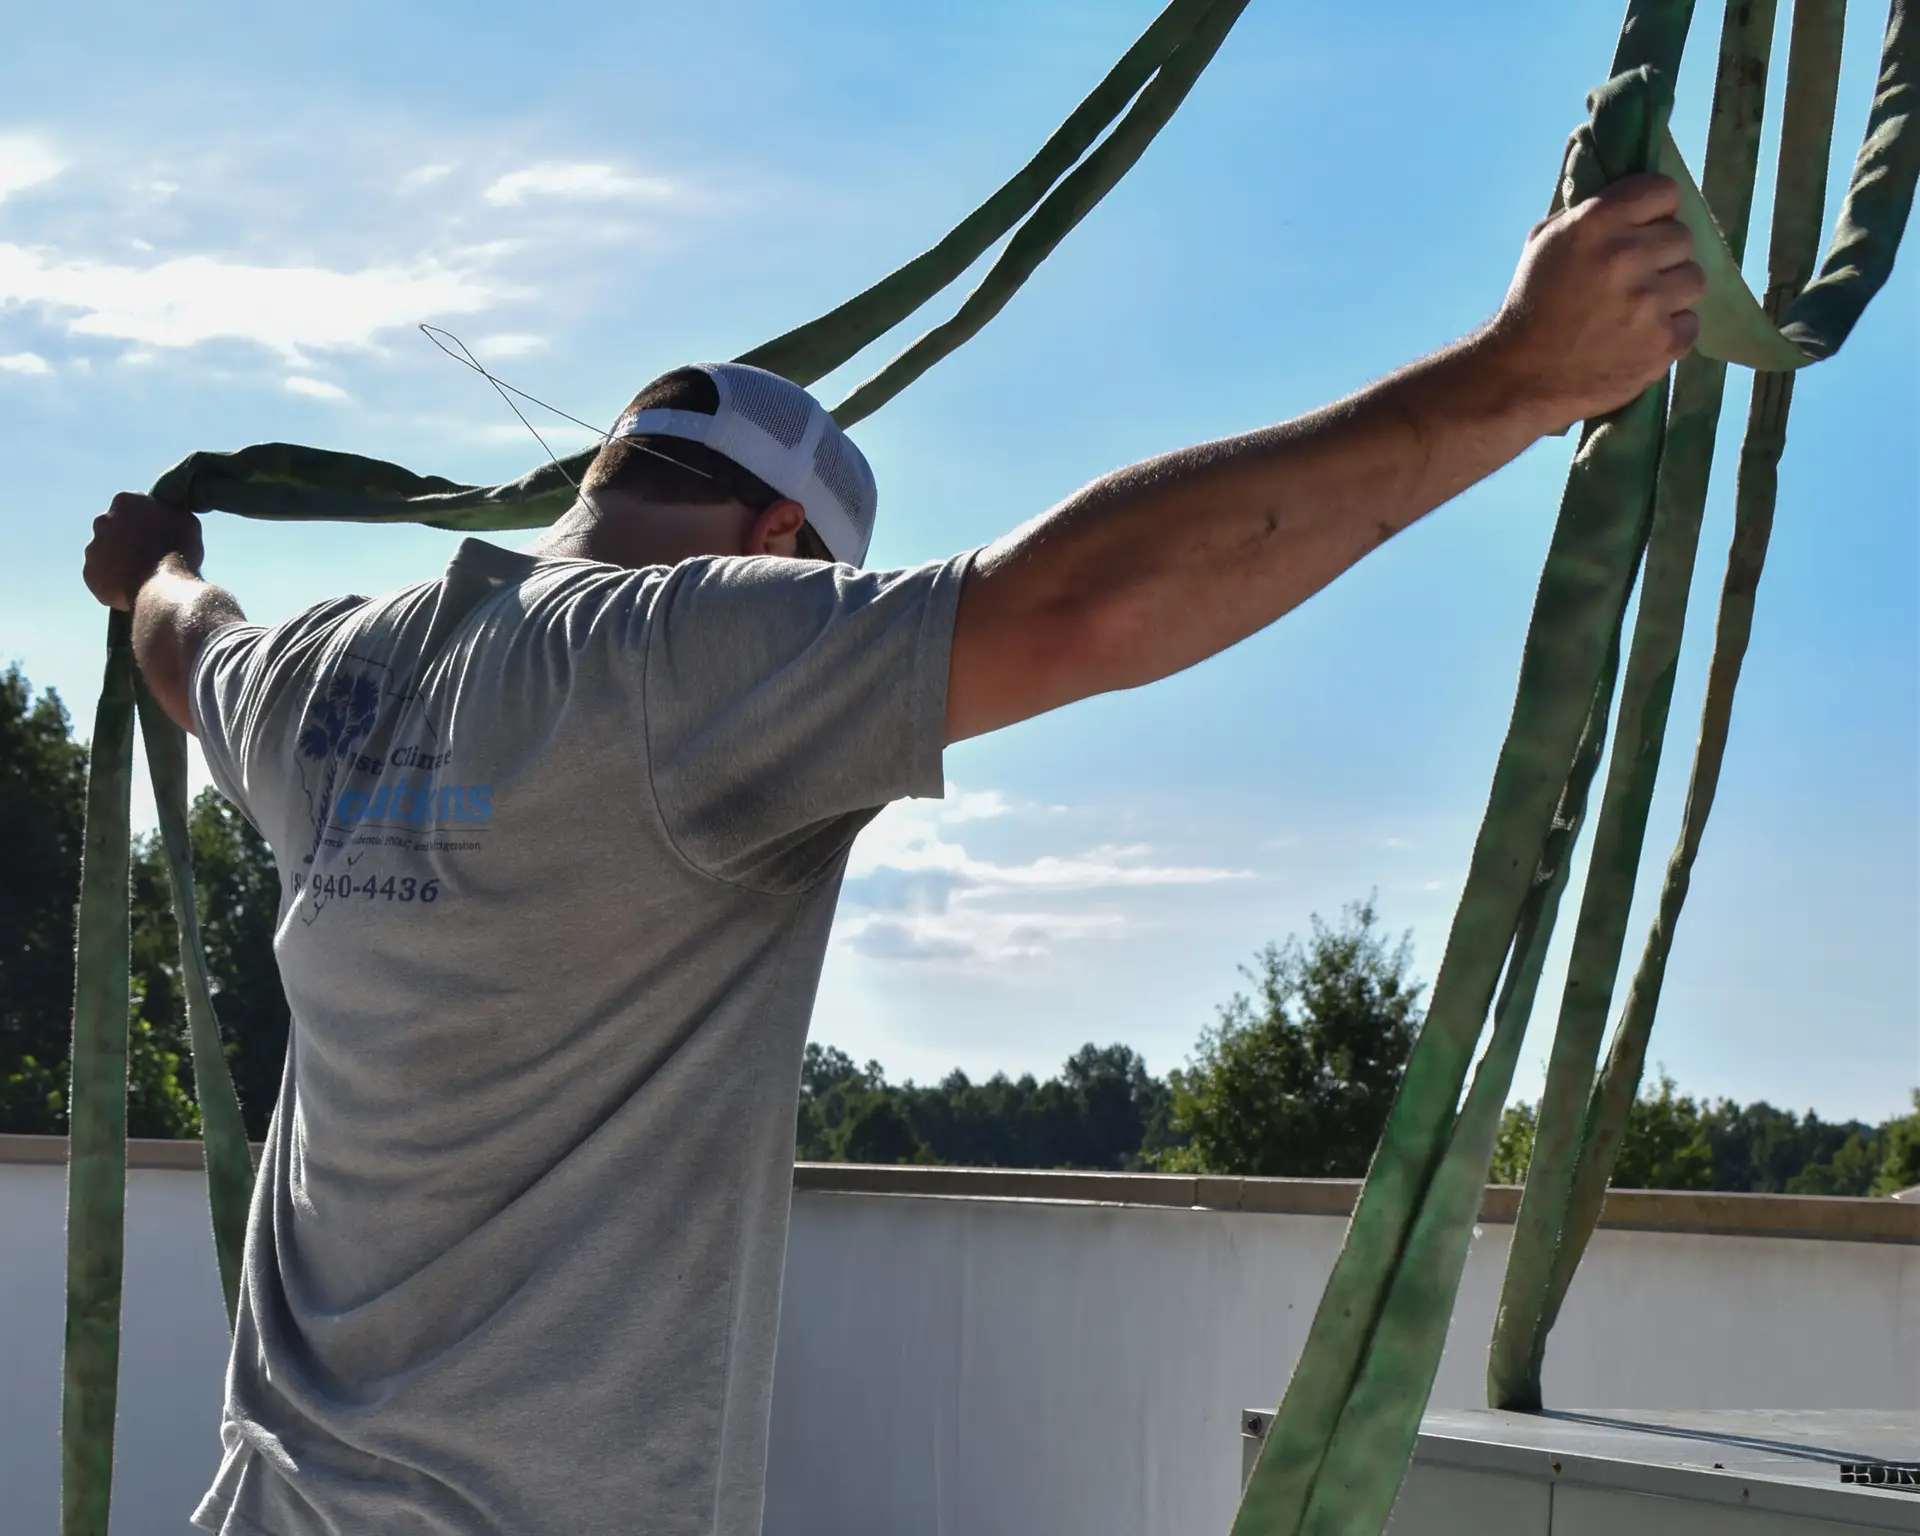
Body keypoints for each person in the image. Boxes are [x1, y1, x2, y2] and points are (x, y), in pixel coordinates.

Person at [83, 172, 1703, 1536]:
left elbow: (186, 640)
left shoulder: (330, 678)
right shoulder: (679, 657)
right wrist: (1522, 375)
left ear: (612, 472)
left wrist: (150, 563)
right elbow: (1074, 605)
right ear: (785, 546)